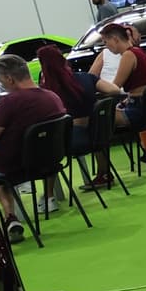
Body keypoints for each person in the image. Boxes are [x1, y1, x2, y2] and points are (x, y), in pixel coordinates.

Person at [0, 57, 66, 241]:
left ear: (9, 79)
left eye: (0, 79)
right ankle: (10, 217)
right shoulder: (53, 97)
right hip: (45, 162)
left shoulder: (10, 102)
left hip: (9, 165)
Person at [93, 23, 146, 172]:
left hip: (139, 111)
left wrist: (96, 88)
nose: (106, 46)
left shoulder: (128, 56)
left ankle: (103, 171)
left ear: (115, 39)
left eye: (106, 42)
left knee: (97, 119)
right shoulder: (141, 52)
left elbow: (115, 87)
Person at [36, 44, 103, 201]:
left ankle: (49, 196)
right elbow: (113, 89)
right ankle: (104, 173)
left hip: (71, 141)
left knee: (44, 150)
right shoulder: (86, 78)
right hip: (96, 134)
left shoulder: (48, 92)